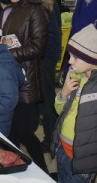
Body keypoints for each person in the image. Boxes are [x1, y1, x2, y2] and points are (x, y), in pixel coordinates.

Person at [1, 0, 50, 173]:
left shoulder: (35, 10)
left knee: (25, 132)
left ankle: (43, 171)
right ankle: (15, 170)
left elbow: (38, 47)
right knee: (12, 131)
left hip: (27, 80)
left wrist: (7, 54)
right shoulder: (11, 11)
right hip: (12, 78)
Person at [23, 0, 62, 153]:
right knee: (40, 99)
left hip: (45, 55)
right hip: (41, 54)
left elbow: (42, 31)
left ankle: (51, 141)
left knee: (46, 100)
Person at [50, 24, 97, 183]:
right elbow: (60, 111)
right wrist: (63, 94)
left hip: (82, 160)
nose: (70, 61)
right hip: (63, 148)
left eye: (75, 57)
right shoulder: (77, 77)